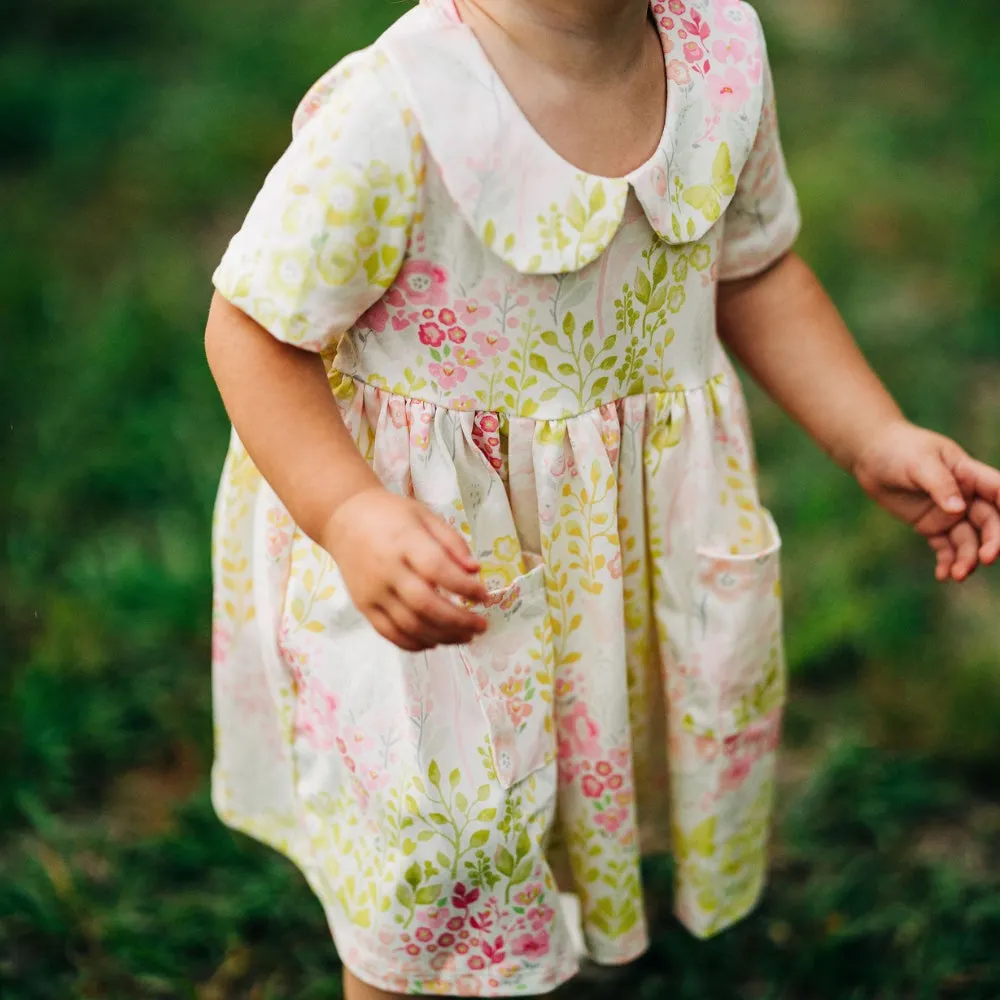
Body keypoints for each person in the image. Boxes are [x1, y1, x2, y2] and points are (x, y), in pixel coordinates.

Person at [203, 1, 1000, 996]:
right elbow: (251, 330)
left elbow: (752, 269)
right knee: (431, 870)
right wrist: (347, 512)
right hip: (432, 564)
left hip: (612, 558)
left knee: (552, 807)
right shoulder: (397, 109)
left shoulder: (717, 60)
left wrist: (871, 433)